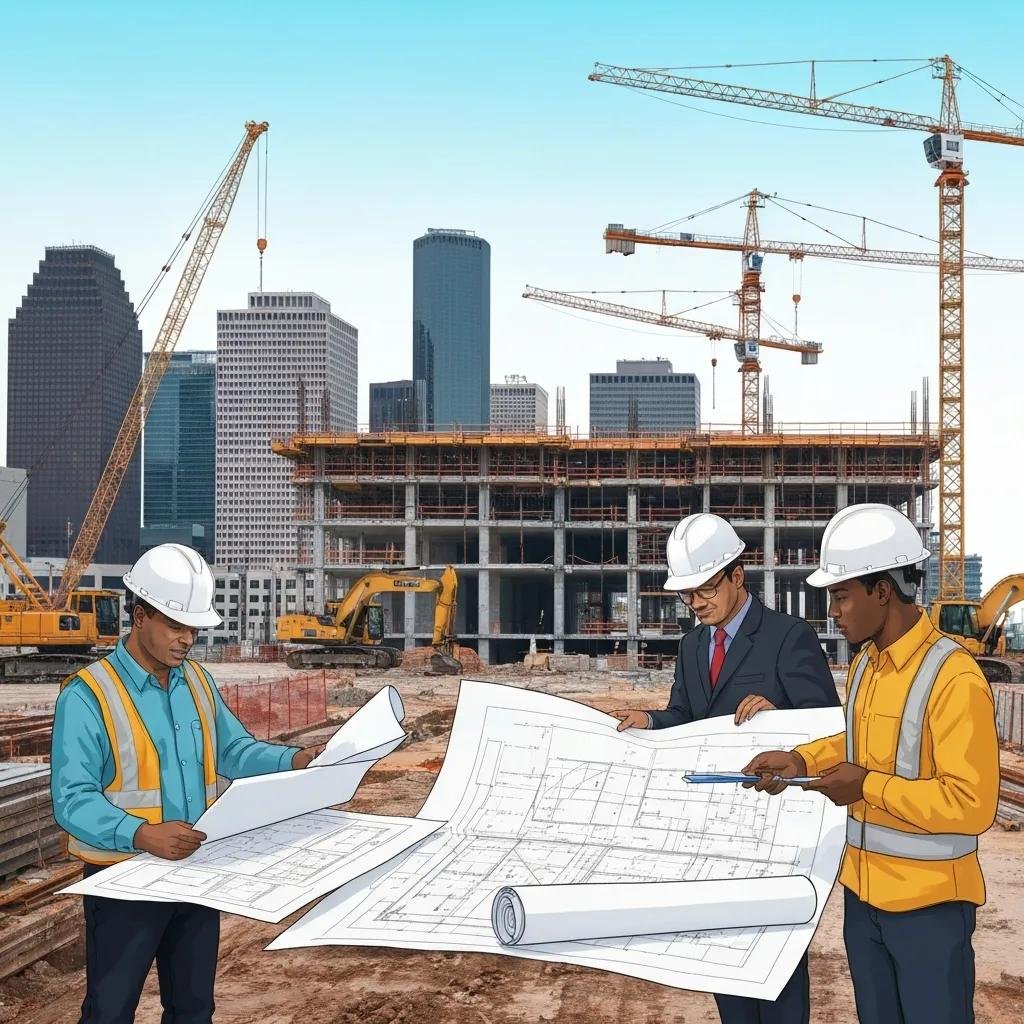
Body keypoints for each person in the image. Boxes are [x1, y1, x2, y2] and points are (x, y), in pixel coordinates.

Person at [742, 503, 999, 1024]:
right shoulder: (866, 666)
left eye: (840, 596)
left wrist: (867, 788)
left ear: (882, 589)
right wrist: (799, 761)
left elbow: (972, 805)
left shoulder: (954, 678)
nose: (832, 611)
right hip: (863, 902)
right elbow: (855, 743)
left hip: (931, 909)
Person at [51, 543, 325, 1024]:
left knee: (194, 1010)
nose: (187, 640)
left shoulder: (196, 681)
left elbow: (233, 752)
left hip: (196, 874)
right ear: (139, 616)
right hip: (124, 883)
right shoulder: (88, 694)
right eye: (175, 626)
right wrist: (140, 833)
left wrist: (296, 759)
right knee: (110, 1011)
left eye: (193, 629)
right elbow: (71, 800)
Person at [611, 512, 839, 1024]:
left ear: (739, 574)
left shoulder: (789, 636)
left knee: (776, 966)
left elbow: (829, 730)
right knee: (726, 964)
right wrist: (648, 720)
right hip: (715, 837)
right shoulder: (693, 646)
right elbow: (685, 717)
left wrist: (780, 721)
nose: (696, 603)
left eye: (706, 589)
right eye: (687, 594)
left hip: (777, 835)